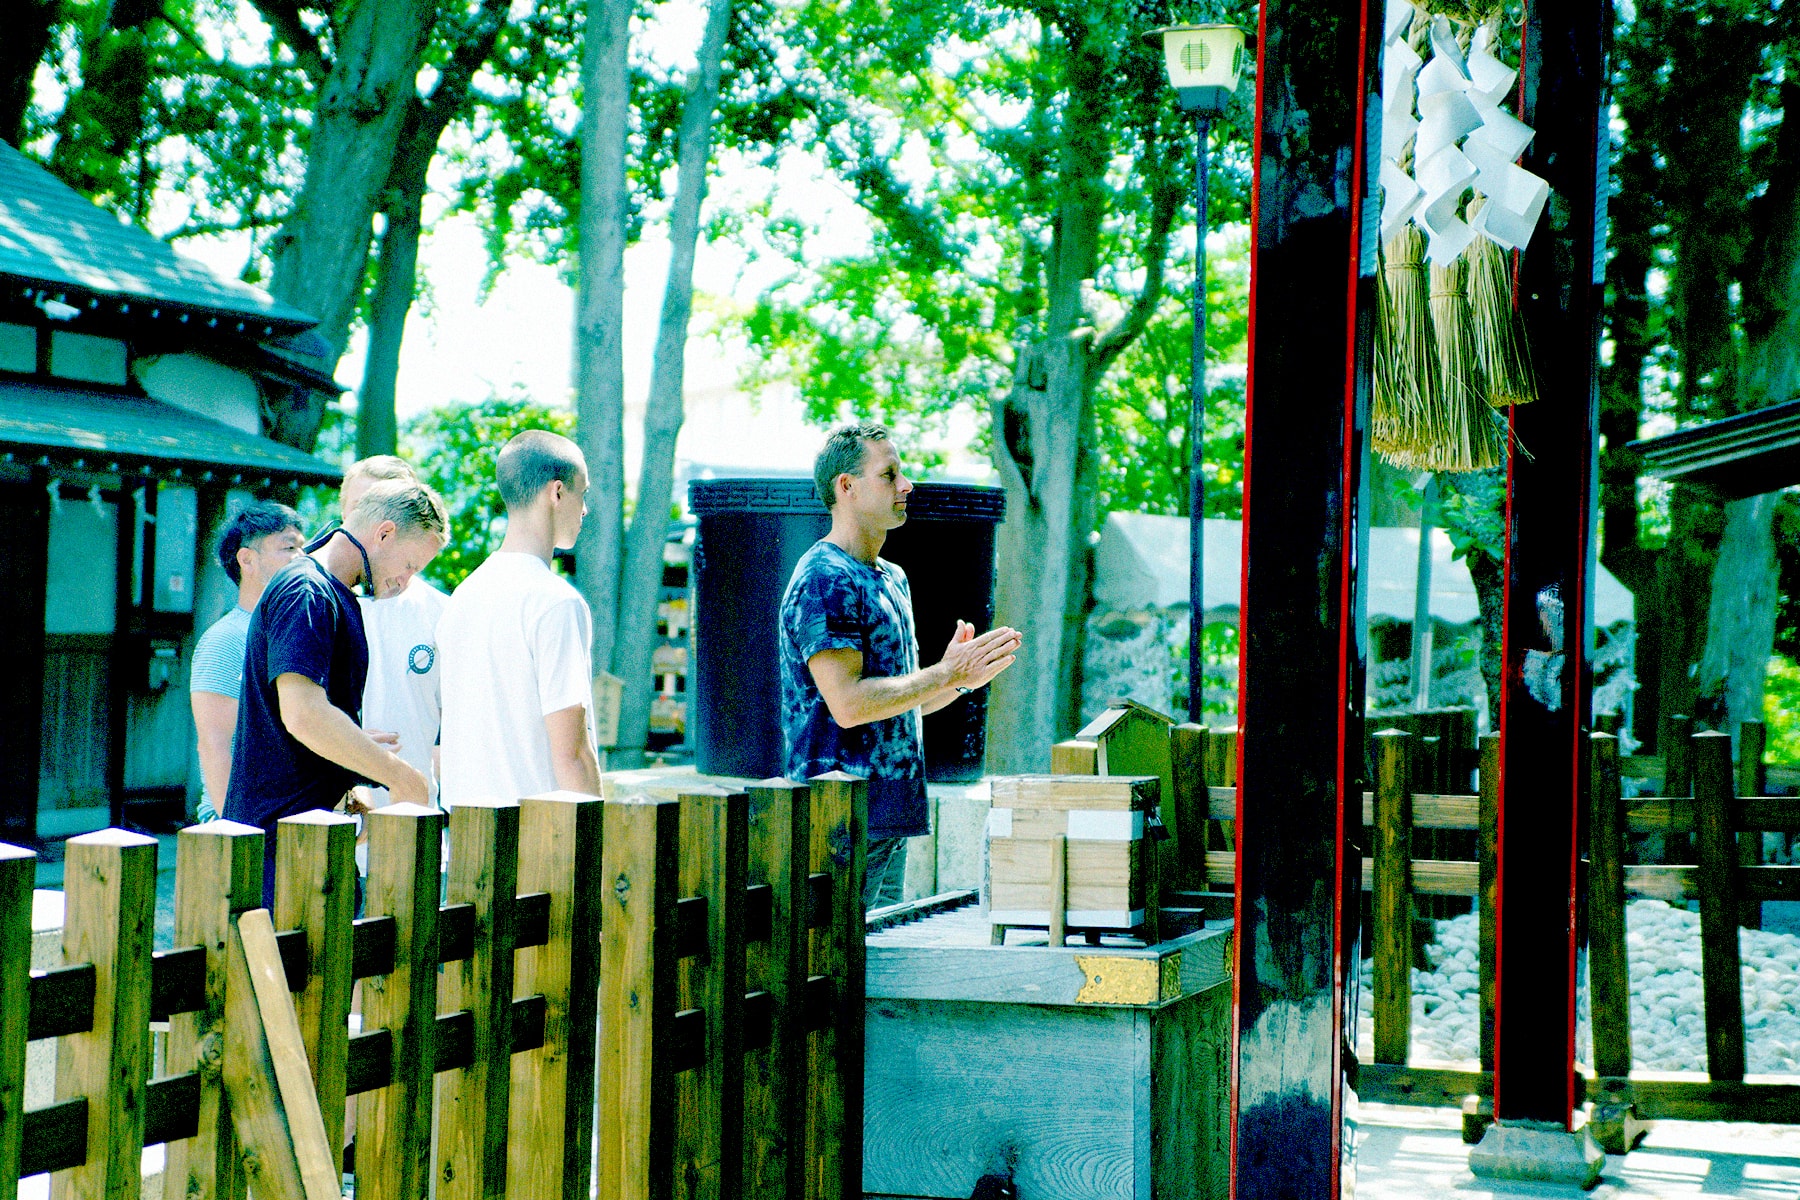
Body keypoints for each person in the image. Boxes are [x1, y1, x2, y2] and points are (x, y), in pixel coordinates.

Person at [779, 422, 1022, 909]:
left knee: (876, 970)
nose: (906, 485)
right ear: (845, 487)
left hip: (891, 818)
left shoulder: (892, 577)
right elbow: (849, 705)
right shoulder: (825, 578)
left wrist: (959, 683)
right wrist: (946, 673)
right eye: (889, 475)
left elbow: (899, 705)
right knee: (837, 971)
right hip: (841, 822)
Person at [225, 477, 449, 905]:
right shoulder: (307, 591)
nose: (405, 580)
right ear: (384, 533)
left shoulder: (331, 592)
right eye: (409, 564)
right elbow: (303, 714)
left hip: (313, 842)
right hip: (284, 851)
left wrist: (350, 772)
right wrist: (400, 776)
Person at [438, 430, 601, 805]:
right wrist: (599, 851)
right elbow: (572, 754)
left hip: (468, 833)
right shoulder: (555, 602)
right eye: (584, 494)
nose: (585, 509)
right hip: (538, 837)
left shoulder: (463, 597)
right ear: (557, 492)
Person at [340, 456, 451, 807]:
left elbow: (464, 723)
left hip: (414, 817)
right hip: (323, 821)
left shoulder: (442, 612)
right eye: (362, 507)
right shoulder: (313, 604)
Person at [189, 501, 305, 820]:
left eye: (302, 548)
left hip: (294, 816)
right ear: (247, 560)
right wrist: (238, 829)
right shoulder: (226, 639)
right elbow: (215, 745)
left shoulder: (296, 632)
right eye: (289, 547)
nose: (301, 558)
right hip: (247, 824)